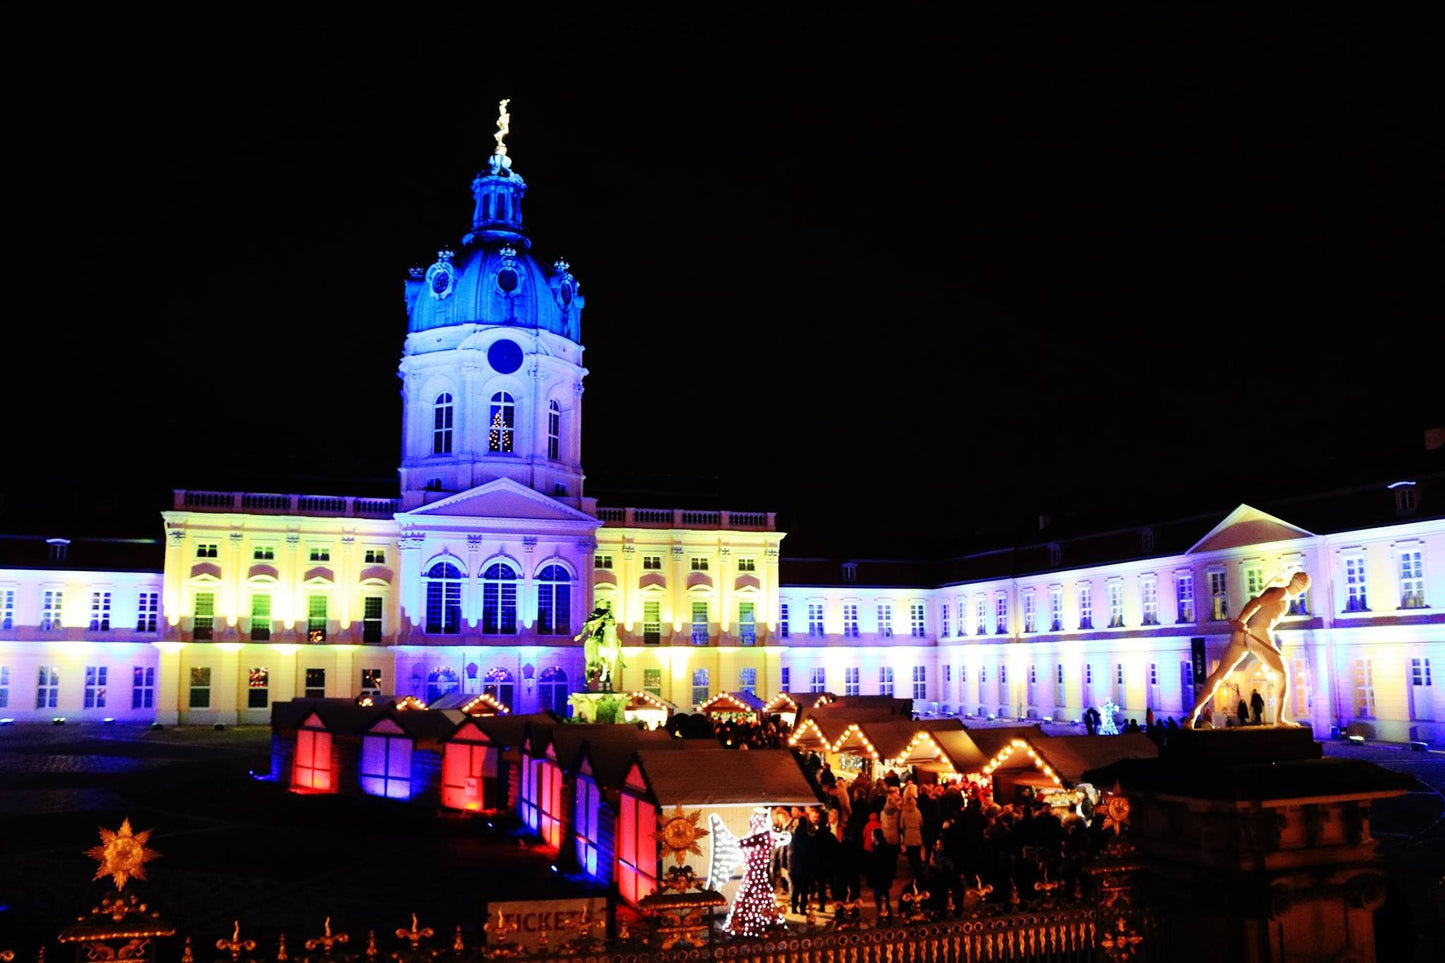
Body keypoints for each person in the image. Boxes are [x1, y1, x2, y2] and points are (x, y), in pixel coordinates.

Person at [1186, 572, 1312, 728]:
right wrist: (1241, 621)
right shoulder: (1283, 592)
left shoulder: (1278, 591)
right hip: (1257, 631)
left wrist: (1242, 623)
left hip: (1241, 634)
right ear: (1301, 588)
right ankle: (1279, 720)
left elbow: (1257, 603)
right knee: (1282, 673)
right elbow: (1255, 602)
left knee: (1220, 674)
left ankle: (1191, 717)